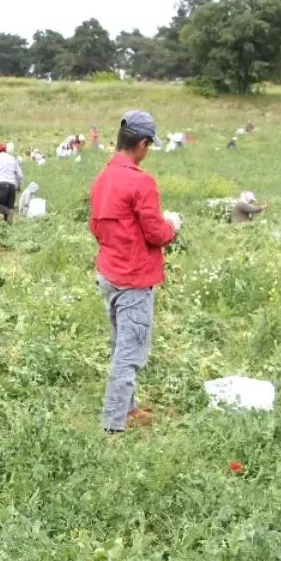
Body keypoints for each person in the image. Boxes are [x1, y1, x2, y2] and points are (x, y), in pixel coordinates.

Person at [88, 110, 179, 434]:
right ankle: (113, 425)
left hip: (109, 273)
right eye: (148, 145)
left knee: (119, 345)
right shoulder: (141, 182)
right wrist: (173, 226)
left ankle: (128, 408)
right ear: (141, 143)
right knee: (129, 354)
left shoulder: (102, 178)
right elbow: (156, 233)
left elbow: (94, 225)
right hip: (134, 277)